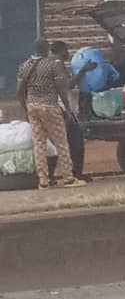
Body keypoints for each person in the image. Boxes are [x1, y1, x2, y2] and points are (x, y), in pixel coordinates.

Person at [17, 38, 86, 190]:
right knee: (61, 142)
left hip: (32, 106)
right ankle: (68, 178)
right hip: (50, 106)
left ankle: (43, 181)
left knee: (39, 144)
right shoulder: (52, 64)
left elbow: (19, 91)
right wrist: (67, 109)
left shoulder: (24, 66)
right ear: (46, 49)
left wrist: (26, 108)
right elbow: (62, 88)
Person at [50, 41, 95, 182]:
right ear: (60, 51)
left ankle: (51, 176)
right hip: (61, 109)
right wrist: (83, 70)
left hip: (56, 108)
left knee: (57, 143)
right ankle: (74, 174)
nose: (67, 52)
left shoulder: (52, 63)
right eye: (66, 49)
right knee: (75, 142)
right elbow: (68, 85)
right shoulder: (57, 64)